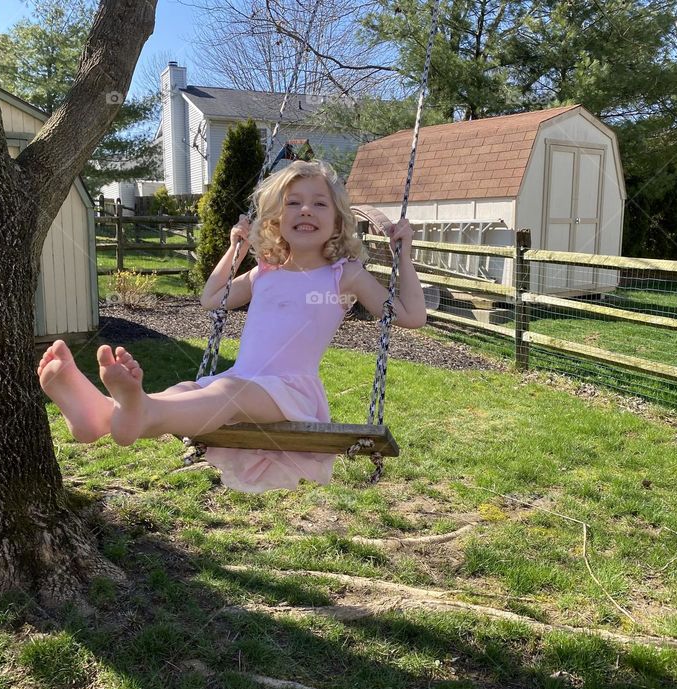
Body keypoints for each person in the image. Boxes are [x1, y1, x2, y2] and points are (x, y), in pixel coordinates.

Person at [37, 159, 426, 493]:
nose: (306, 210)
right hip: (242, 381)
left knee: (226, 390)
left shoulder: (345, 277)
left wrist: (402, 257)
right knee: (187, 389)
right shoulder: (265, 272)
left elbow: (411, 316)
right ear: (275, 219)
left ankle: (132, 409)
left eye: (319, 203)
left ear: (338, 221)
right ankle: (101, 415)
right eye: (293, 203)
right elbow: (213, 297)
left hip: (290, 392)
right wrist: (236, 249)